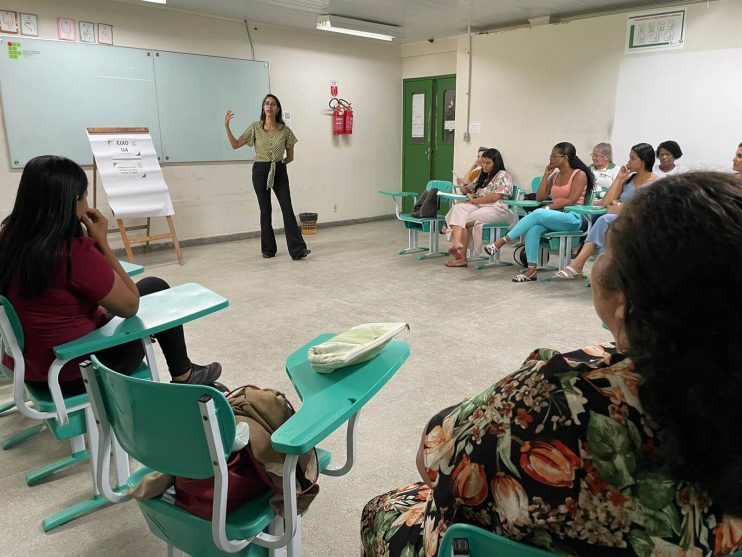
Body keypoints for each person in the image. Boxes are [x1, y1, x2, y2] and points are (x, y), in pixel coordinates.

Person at [361, 171, 742, 557]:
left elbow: (435, 459)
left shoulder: (568, 395)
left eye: (606, 249)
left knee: (384, 508)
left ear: (629, 311)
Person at [0, 155, 222, 397]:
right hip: (79, 369)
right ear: (71, 201)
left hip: (32, 366)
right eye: (83, 196)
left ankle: (185, 373)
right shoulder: (72, 252)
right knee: (144, 305)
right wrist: (102, 244)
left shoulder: (8, 237)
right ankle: (185, 376)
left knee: (154, 285)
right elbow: (130, 305)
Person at [484, 142, 594, 282]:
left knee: (537, 214)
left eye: (554, 156)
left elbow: (571, 200)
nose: (551, 159)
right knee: (533, 229)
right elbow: (540, 197)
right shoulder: (555, 176)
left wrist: (548, 208)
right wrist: (546, 175)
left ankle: (500, 243)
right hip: (554, 216)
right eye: (551, 155)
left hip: (572, 218)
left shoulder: (579, 174)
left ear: (565, 157)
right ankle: (531, 271)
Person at [224, 94, 310, 260]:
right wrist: (227, 126)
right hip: (260, 171)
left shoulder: (285, 131)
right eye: (266, 104)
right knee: (266, 210)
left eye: (273, 104)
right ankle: (268, 250)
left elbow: (290, 157)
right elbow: (235, 145)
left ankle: (298, 250)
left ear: (278, 109)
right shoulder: (255, 127)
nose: (269, 106)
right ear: (263, 108)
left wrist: (278, 165)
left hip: (279, 169)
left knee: (287, 209)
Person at [554, 143, 658, 279]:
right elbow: (606, 202)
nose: (628, 162)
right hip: (621, 221)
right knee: (607, 227)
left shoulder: (655, 183)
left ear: (644, 160)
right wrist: (620, 178)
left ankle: (578, 265)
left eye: (632, 158)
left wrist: (620, 206)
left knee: (604, 220)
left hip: (641, 225)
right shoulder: (628, 179)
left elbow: (647, 211)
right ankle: (600, 273)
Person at [444, 148, 515, 267]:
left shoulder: (503, 175)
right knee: (458, 209)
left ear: (496, 163)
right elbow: (466, 190)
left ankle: (461, 258)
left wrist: (474, 200)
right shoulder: (483, 176)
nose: (484, 166)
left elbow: (495, 197)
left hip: (497, 209)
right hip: (480, 206)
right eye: (483, 163)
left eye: (488, 163)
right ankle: (456, 244)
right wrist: (464, 187)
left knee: (462, 221)